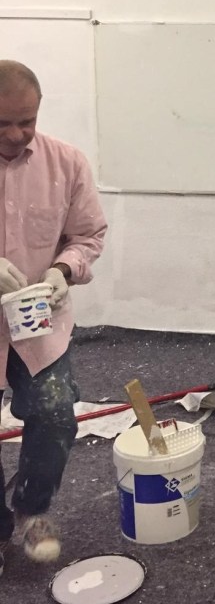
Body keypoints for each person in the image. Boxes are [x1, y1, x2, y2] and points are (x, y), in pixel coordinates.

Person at [0, 61, 107, 572]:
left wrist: (65, 269)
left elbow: (88, 235)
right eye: (2, 124)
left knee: (55, 415)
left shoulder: (66, 163)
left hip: (38, 324)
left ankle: (30, 511)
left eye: (27, 121)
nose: (16, 135)